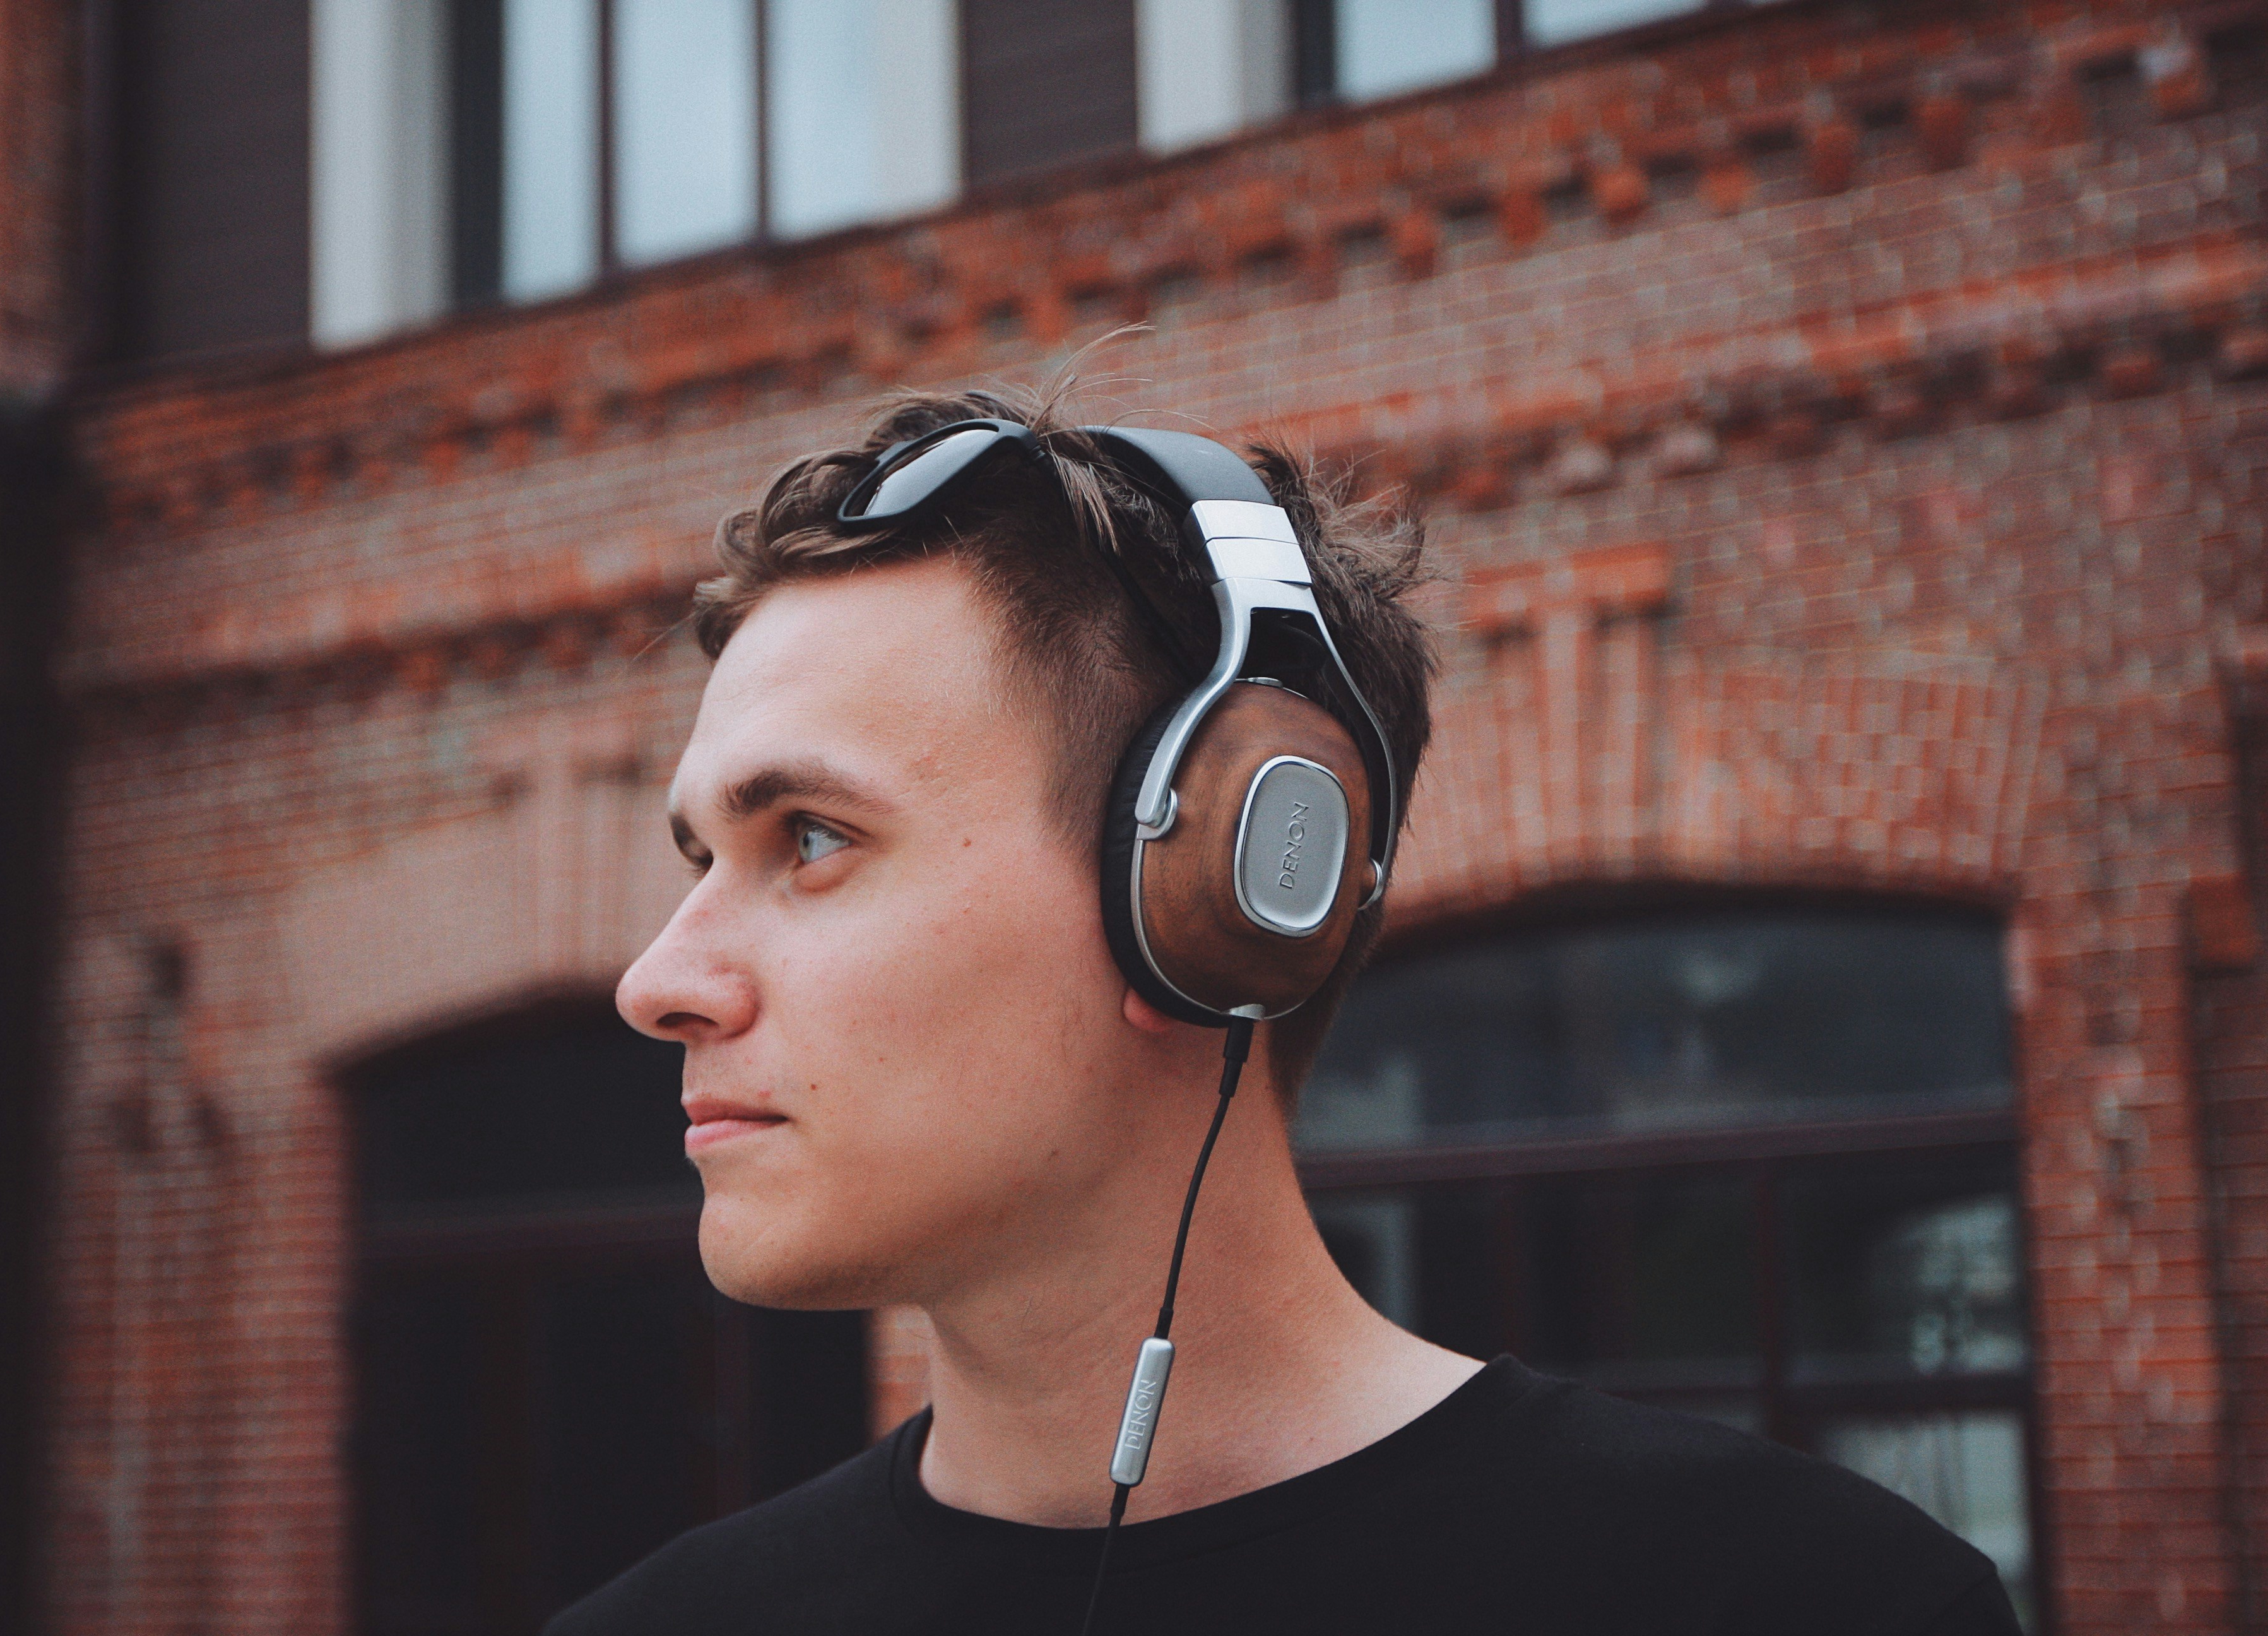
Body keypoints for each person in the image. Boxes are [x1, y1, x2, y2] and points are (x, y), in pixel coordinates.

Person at [555, 383, 2021, 1635]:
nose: (658, 983)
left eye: (808, 837)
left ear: (1215, 894)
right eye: (701, 855)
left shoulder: (1802, 1604)